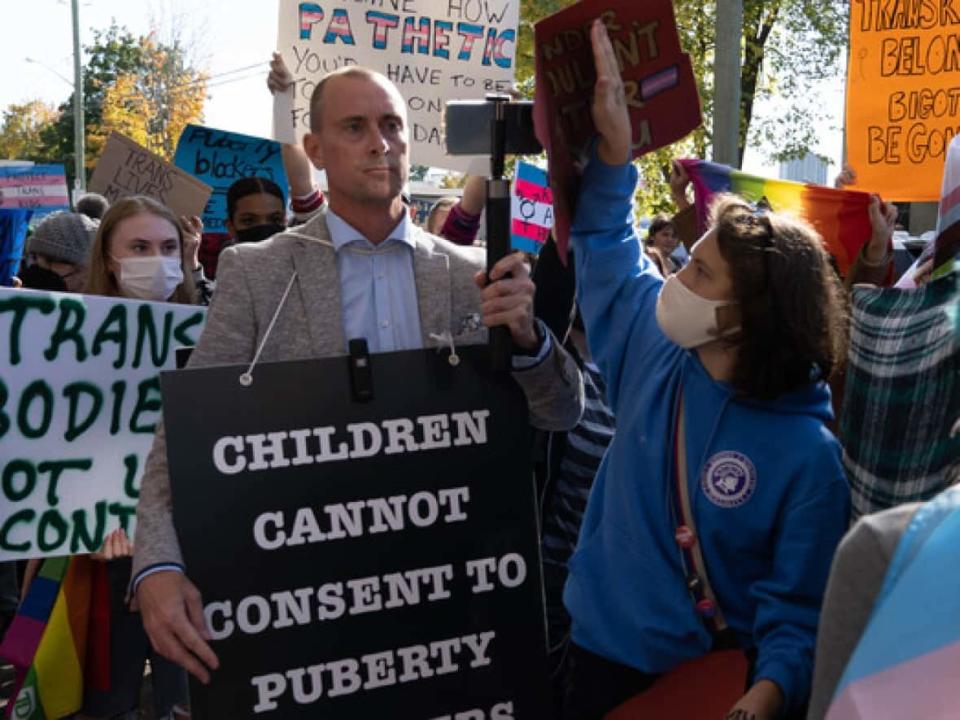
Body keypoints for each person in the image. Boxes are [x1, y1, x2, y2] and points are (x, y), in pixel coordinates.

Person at [131, 63, 584, 684]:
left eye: (392, 125)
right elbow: (186, 435)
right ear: (313, 149)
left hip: (452, 603)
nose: (381, 143)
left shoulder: (472, 272)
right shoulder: (257, 274)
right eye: (355, 126)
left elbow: (562, 412)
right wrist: (156, 565)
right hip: (307, 606)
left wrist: (529, 340)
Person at [559, 21, 850, 720]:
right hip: (589, 663)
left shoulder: (811, 460)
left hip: (705, 689)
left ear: (748, 314)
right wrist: (615, 151)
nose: (675, 277)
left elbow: (798, 607)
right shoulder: (653, 346)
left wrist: (765, 695)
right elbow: (602, 238)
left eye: (699, 270)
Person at [80, 195, 200, 719]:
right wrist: (73, 526)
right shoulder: (66, 335)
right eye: (140, 247)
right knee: (110, 697)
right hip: (103, 550)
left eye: (168, 246)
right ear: (109, 257)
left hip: (190, 550)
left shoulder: (214, 329)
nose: (157, 259)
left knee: (188, 691)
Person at [17, 211, 97, 292]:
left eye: (52, 260)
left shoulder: (104, 302)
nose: (40, 266)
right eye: (34, 257)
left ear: (86, 271)